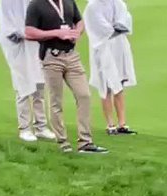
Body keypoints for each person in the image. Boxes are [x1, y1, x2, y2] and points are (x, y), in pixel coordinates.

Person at [24, 0, 108, 154]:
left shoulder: (68, 1)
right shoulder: (36, 4)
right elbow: (29, 32)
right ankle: (63, 142)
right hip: (51, 56)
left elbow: (79, 21)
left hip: (71, 55)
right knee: (56, 101)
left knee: (84, 95)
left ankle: (85, 142)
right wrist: (56, 33)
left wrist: (77, 32)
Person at [0, 0, 56, 143]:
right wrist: (22, 33)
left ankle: (41, 126)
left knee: (39, 84)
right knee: (23, 85)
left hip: (35, 44)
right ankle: (25, 128)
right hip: (17, 46)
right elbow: (7, 26)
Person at [84, 0, 137, 135]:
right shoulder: (92, 6)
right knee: (106, 85)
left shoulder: (118, 3)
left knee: (120, 83)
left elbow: (125, 19)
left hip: (119, 46)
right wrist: (114, 29)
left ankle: (122, 123)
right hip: (102, 47)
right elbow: (99, 27)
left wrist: (118, 27)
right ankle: (110, 124)